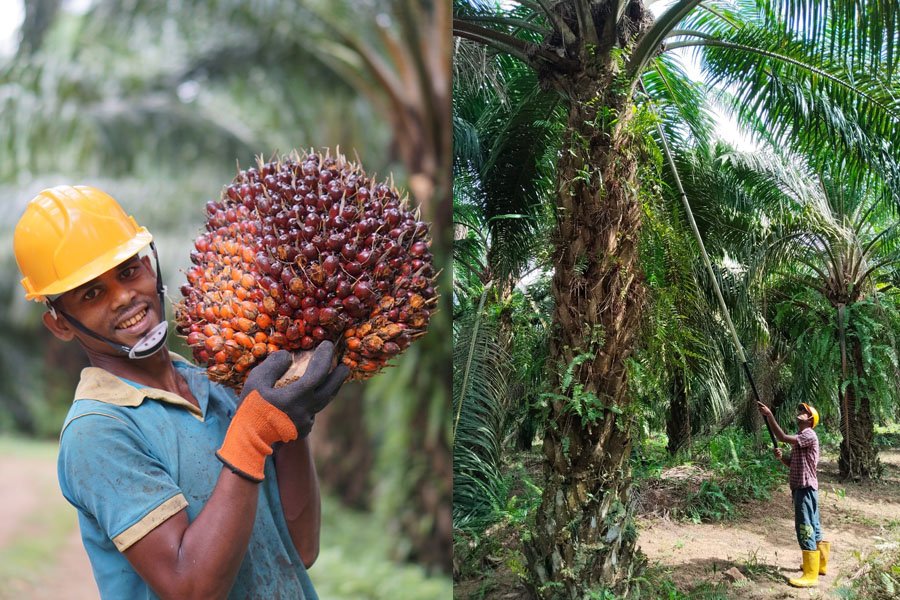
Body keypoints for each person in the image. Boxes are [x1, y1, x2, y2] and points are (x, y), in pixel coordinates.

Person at [13, 185, 348, 599]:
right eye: (92, 293)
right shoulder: (96, 431)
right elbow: (190, 589)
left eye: (128, 270)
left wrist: (293, 413)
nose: (125, 296)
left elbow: (300, 547)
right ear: (61, 324)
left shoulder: (219, 385)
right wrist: (253, 433)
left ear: (150, 264)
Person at [757, 401, 831, 588]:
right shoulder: (801, 437)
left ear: (810, 419)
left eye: (804, 412)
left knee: (805, 527)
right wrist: (782, 458)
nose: (800, 413)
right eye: (800, 410)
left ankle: (810, 574)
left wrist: (769, 416)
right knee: (813, 525)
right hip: (805, 487)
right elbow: (793, 463)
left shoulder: (808, 434)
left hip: (805, 488)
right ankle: (819, 565)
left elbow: (781, 436)